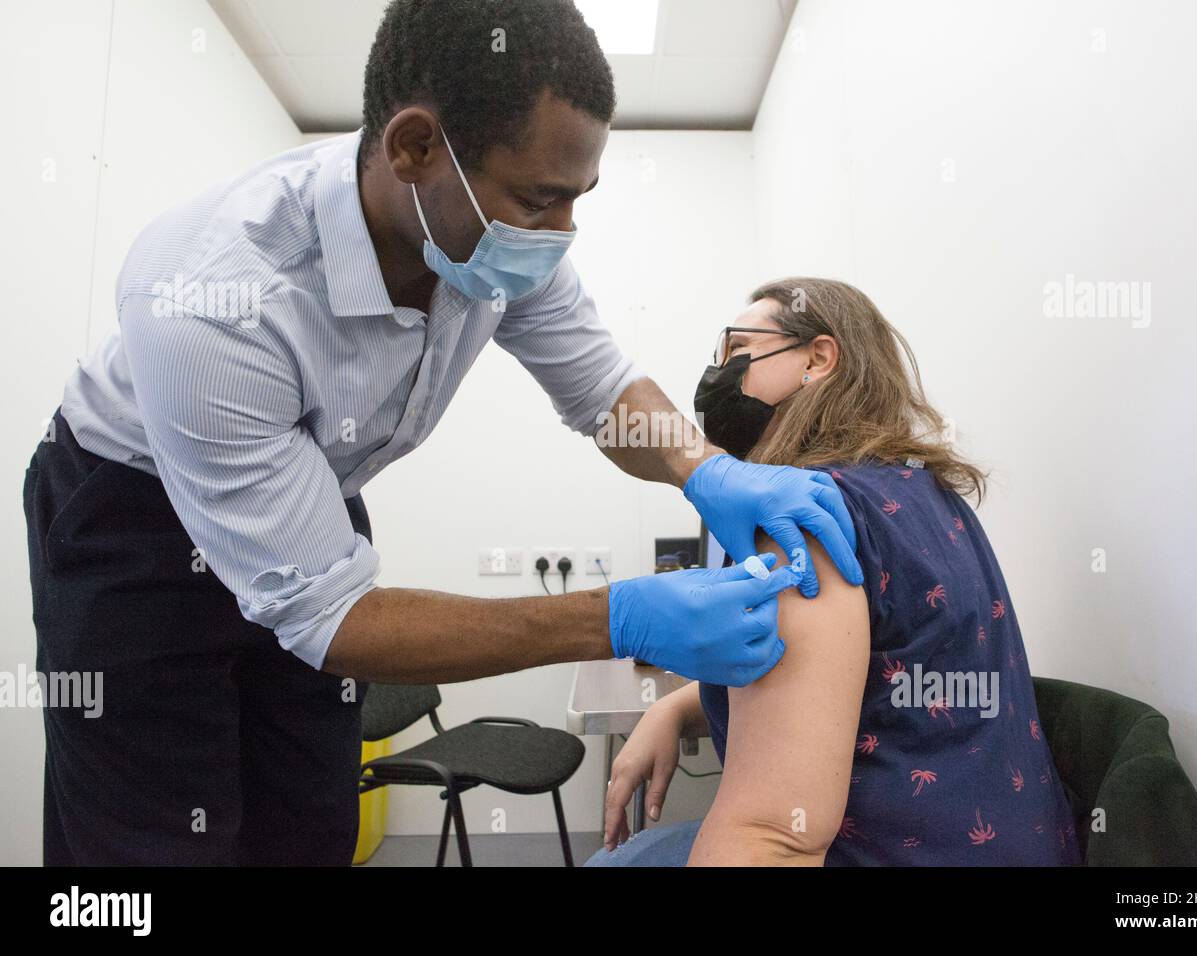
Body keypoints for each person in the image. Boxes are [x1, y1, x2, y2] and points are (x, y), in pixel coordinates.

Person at [21, 1, 863, 866]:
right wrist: (619, 617)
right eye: (542, 198)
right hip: (134, 514)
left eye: (578, 199)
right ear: (415, 147)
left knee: (309, 823)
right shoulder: (213, 294)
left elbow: (605, 389)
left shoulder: (492, 241)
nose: (562, 232)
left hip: (311, 489)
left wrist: (709, 472)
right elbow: (334, 615)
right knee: (152, 842)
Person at [588, 278, 1083, 866]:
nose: (717, 371)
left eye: (736, 347)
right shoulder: (925, 493)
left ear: (819, 358)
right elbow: (862, 675)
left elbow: (775, 835)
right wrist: (673, 706)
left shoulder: (801, 517)